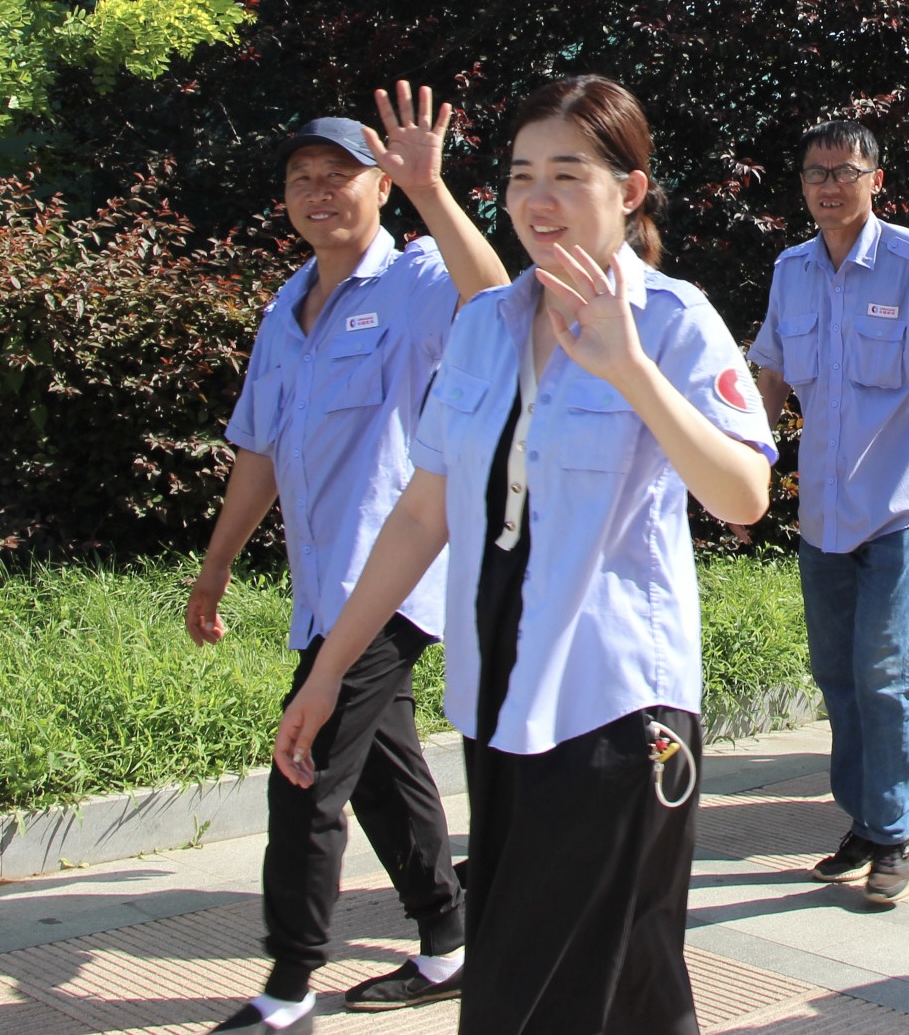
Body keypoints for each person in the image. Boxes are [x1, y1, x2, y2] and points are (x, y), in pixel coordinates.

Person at [273, 75, 775, 1034]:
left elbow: (742, 495)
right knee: (633, 984)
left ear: (629, 191)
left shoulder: (670, 320)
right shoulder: (484, 326)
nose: (537, 199)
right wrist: (329, 671)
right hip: (500, 702)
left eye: (567, 174)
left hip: (618, 711)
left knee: (519, 994)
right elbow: (424, 515)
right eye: (519, 175)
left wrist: (628, 367)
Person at [191, 89, 509, 1035]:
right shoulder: (285, 309)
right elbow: (258, 452)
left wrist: (433, 190)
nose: (318, 193)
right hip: (323, 584)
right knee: (379, 765)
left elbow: (493, 302)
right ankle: (448, 941)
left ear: (378, 185)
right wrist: (214, 569)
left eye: (339, 177)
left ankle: (288, 986)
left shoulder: (411, 282)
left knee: (306, 762)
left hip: (394, 583)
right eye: (301, 181)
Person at [751, 120, 909, 903]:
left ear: (875, 179)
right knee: (836, 676)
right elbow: (773, 373)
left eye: (843, 171)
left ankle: (893, 831)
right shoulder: (792, 269)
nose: (826, 185)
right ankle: (862, 816)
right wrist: (750, 456)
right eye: (814, 171)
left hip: (899, 508)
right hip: (823, 510)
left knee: (885, 675)